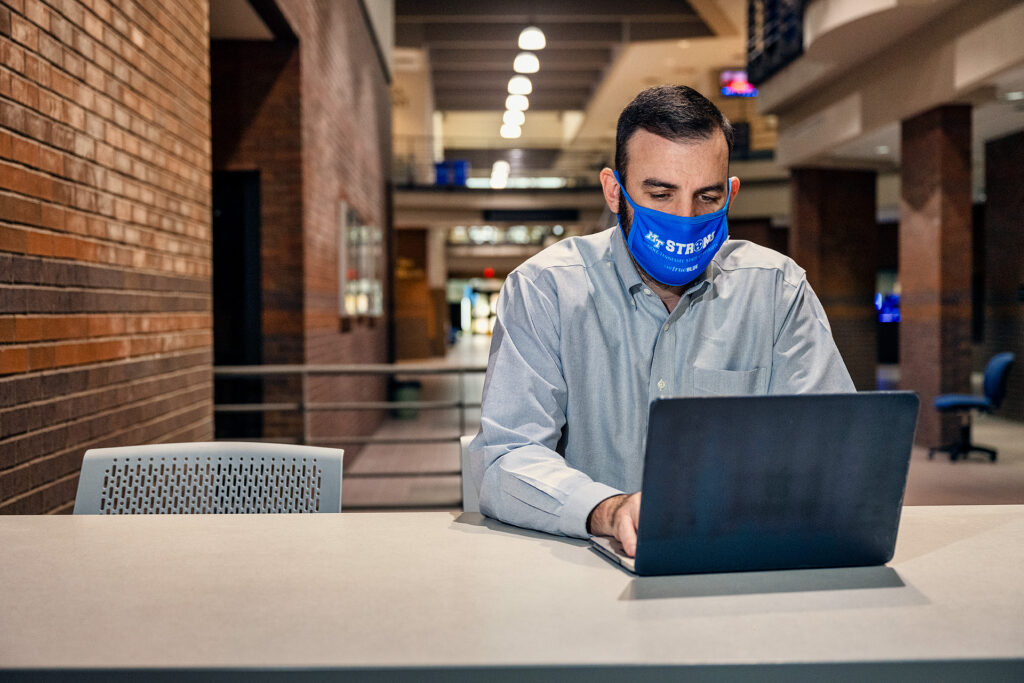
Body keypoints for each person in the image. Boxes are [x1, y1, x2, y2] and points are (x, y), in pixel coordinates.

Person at [468, 85, 854, 556]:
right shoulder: (545, 290)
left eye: (707, 197)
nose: (684, 218)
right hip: (584, 571)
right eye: (661, 194)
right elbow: (507, 457)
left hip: (742, 559)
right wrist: (609, 510)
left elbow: (832, 446)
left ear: (730, 193)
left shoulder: (777, 290)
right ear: (615, 191)